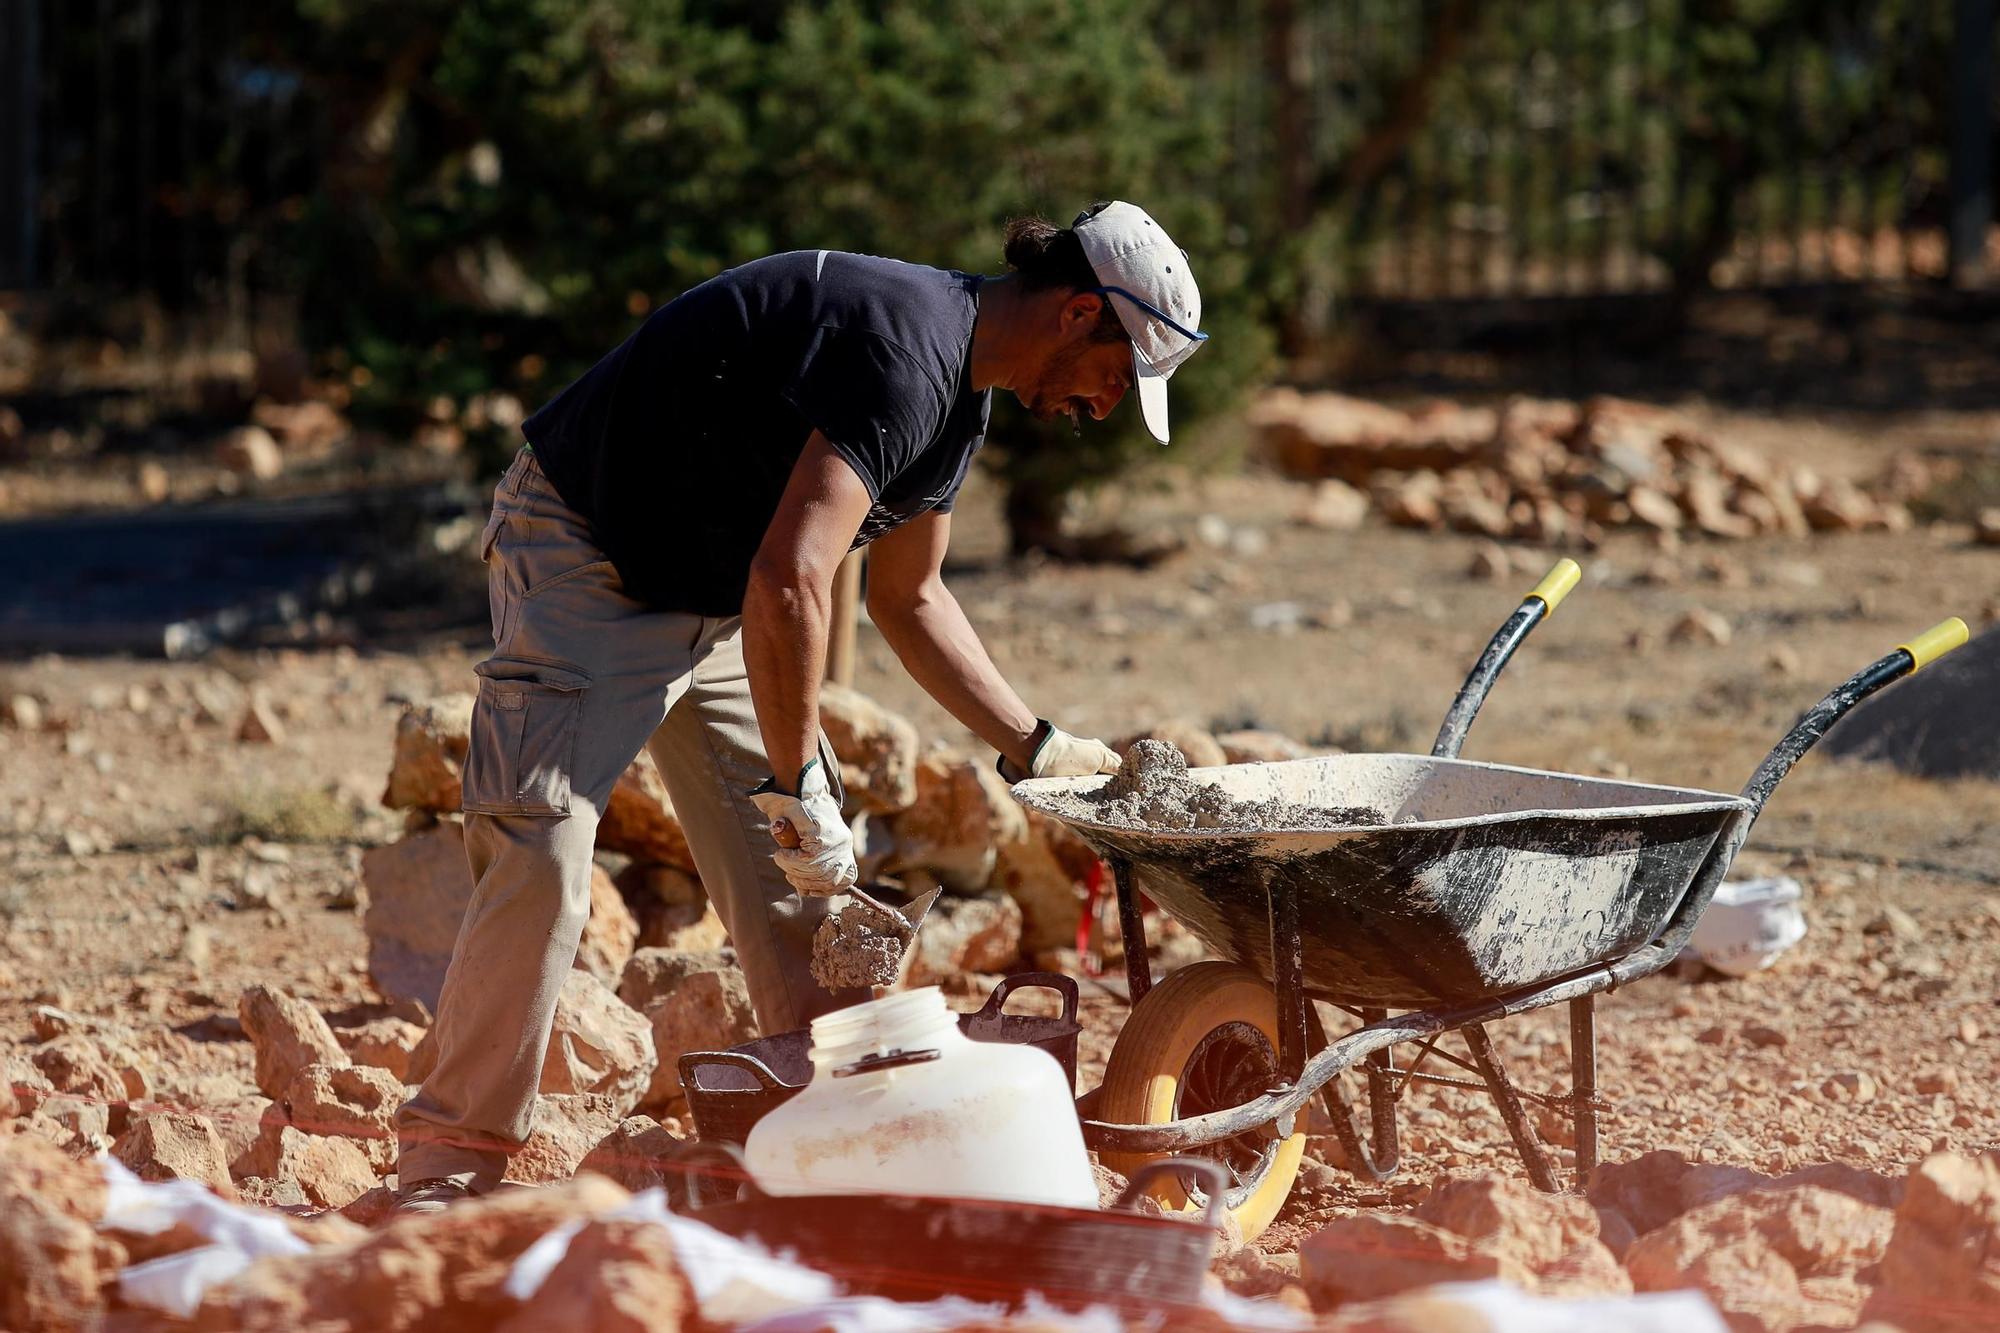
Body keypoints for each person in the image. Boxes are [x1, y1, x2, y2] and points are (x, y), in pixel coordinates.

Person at [392, 201, 1207, 1211]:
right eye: (1118, 376)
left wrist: (1037, 747)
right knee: (543, 849)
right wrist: (797, 789)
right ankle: (445, 1165)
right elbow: (793, 577)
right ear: (1078, 312)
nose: (1102, 406)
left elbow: (910, 599)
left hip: (718, 592)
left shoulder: (959, 402)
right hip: (592, 552)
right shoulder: (904, 349)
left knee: (800, 902)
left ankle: (834, 1163)